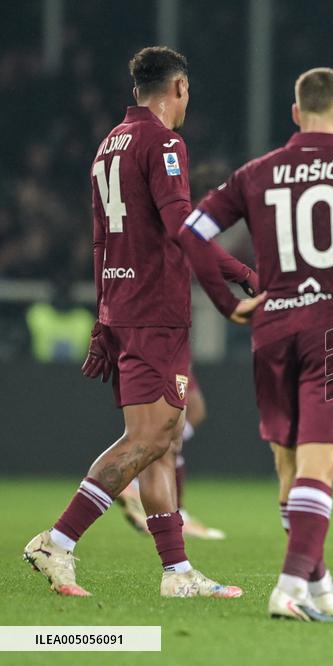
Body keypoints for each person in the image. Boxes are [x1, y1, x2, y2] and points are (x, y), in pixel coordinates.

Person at [179, 67, 333, 621]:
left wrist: (227, 302)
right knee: (321, 466)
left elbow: (192, 232)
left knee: (290, 471)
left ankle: (317, 585)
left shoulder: (255, 173)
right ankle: (289, 587)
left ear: (295, 113)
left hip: (273, 328)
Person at [22, 46, 263, 599]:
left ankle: (177, 573)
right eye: (186, 93)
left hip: (125, 305)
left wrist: (105, 315)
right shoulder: (164, 142)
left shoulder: (109, 144)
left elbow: (102, 238)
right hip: (155, 309)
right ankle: (58, 540)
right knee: (152, 435)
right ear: (178, 88)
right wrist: (240, 273)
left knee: (162, 438)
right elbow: (182, 224)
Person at [114, 163, 247, 540]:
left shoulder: (169, 217)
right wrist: (243, 279)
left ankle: (161, 500)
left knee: (183, 418)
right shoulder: (182, 222)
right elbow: (201, 256)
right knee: (167, 426)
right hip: (160, 323)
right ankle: (137, 483)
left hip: (160, 320)